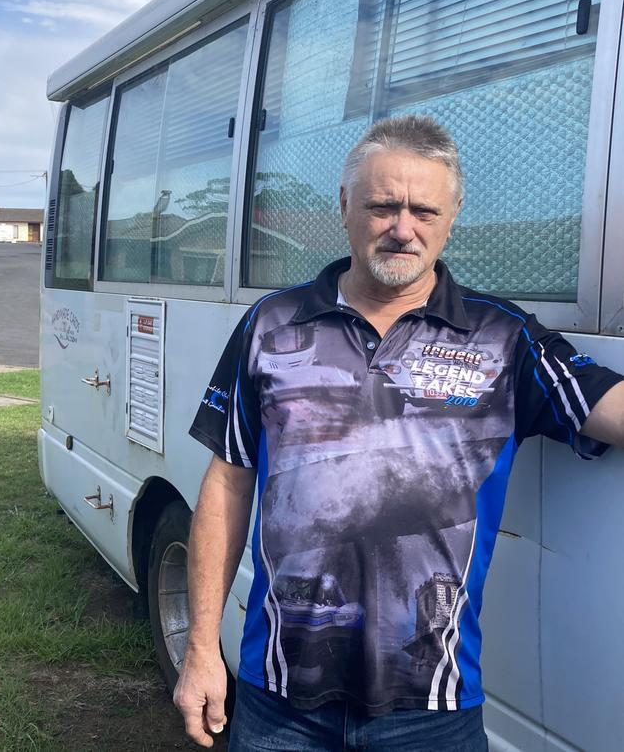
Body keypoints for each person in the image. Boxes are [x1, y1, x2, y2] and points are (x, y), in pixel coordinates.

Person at [174, 115, 624, 750]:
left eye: (423, 210)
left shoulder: (503, 338)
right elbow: (227, 483)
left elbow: (610, 405)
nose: (402, 229)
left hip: (433, 704)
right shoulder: (270, 325)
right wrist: (200, 648)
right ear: (345, 207)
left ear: (452, 215)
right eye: (383, 206)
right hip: (280, 698)